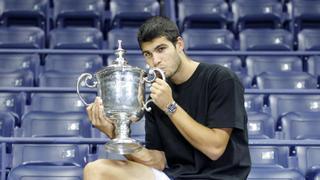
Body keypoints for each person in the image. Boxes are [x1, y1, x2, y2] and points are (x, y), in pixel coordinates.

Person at [84, 16, 251, 180]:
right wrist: (115, 134)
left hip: (220, 177)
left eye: (161, 49)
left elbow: (215, 148)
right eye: (148, 54)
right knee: (96, 170)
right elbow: (157, 162)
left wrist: (170, 106)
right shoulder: (157, 96)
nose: (155, 61)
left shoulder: (220, 79)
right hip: (175, 177)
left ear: (179, 44)